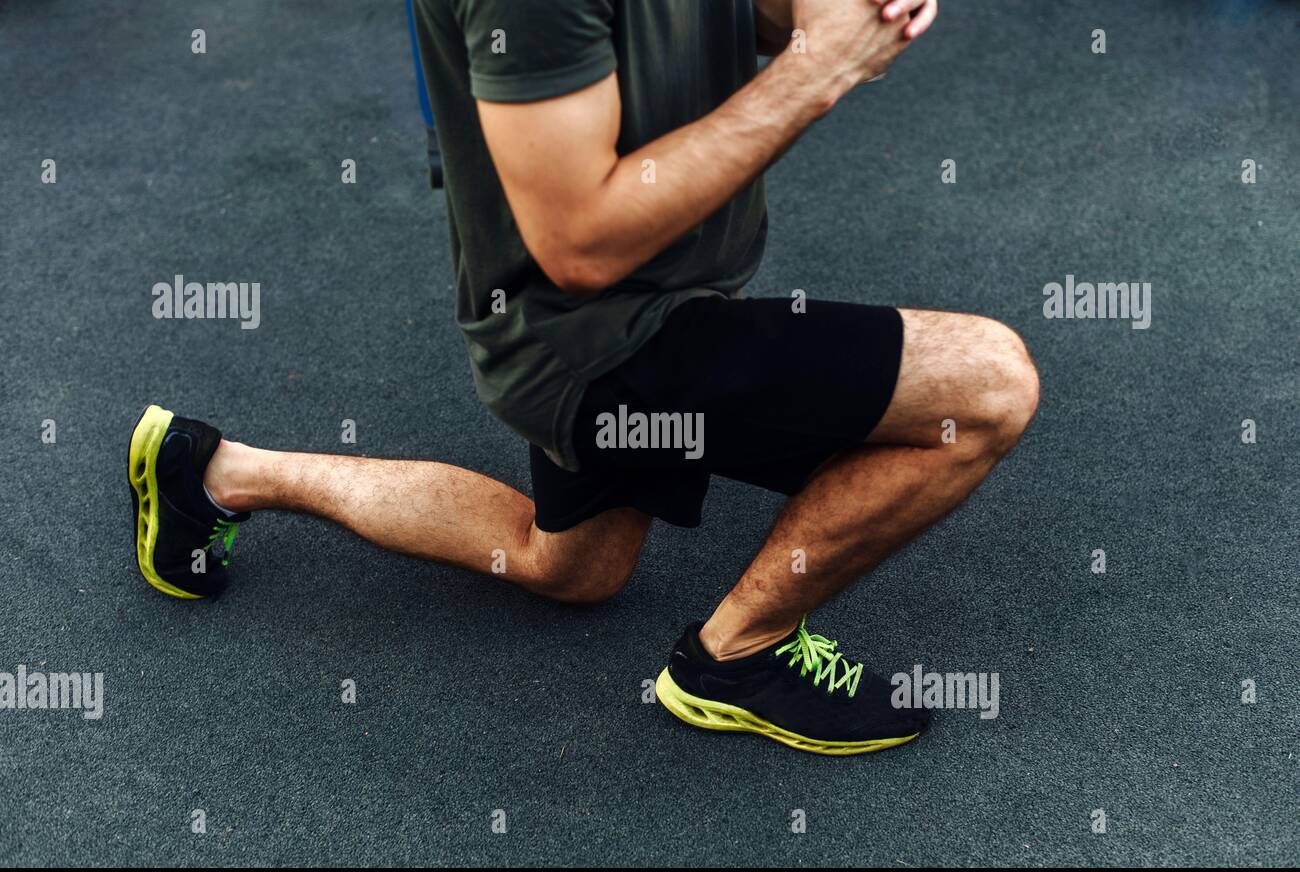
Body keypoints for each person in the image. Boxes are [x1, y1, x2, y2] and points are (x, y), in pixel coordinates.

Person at [128, 0, 1039, 756]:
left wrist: (817, 11)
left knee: (571, 566)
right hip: (602, 345)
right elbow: (579, 244)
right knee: (987, 388)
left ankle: (216, 473)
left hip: (668, 298)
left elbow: (739, 21)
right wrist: (821, 68)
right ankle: (737, 657)